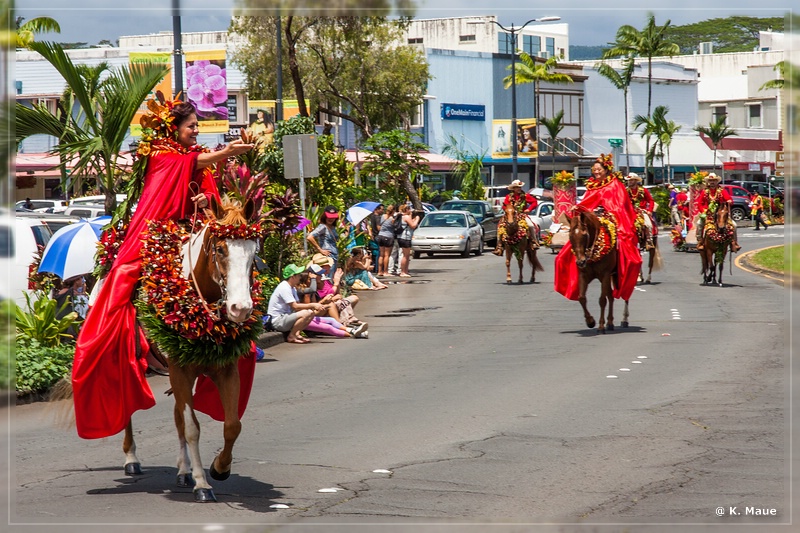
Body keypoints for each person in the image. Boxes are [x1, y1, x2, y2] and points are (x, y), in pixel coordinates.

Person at [71, 98, 255, 440]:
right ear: (174, 128)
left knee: (235, 268)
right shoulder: (160, 155)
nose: (196, 130)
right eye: (191, 126)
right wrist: (226, 152)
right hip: (156, 234)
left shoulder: (197, 158)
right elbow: (190, 164)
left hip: (194, 232)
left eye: (197, 126)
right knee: (123, 285)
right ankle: (123, 345)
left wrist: (208, 201)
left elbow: (211, 198)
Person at [554, 153, 642, 303]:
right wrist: (579, 208)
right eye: (594, 170)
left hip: (612, 217)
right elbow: (587, 203)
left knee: (623, 243)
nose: (596, 172)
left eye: (599, 169)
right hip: (593, 217)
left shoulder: (615, 184)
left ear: (606, 170)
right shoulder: (592, 186)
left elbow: (620, 204)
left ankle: (621, 270)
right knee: (571, 245)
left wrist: (607, 214)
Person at [695, 173, 741, 252]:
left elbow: (729, 199)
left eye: (714, 180)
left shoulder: (722, 191)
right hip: (708, 215)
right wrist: (704, 211)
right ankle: (700, 242)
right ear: (708, 182)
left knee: (734, 225)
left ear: (717, 181)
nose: (712, 182)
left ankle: (734, 243)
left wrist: (729, 201)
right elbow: (700, 204)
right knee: (699, 224)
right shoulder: (704, 192)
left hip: (721, 214)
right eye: (710, 181)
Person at [492, 179, 538, 256]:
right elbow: (504, 206)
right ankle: (499, 247)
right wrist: (508, 211)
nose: (519, 189)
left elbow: (534, 202)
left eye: (520, 187)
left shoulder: (525, 196)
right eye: (517, 187)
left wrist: (529, 209)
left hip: (521, 215)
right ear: (513, 189)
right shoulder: (508, 197)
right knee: (500, 227)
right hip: (510, 215)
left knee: (531, 225)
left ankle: (533, 242)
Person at [625, 173, 655, 250]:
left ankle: (649, 241)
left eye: (631, 180)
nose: (629, 182)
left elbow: (651, 200)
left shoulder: (643, 190)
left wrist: (650, 210)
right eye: (629, 180)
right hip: (630, 212)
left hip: (641, 211)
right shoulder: (626, 191)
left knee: (648, 224)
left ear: (636, 181)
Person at [396, 204, 421, 277]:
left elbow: (409, 223)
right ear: (406, 209)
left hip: (402, 237)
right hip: (405, 237)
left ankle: (405, 271)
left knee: (407, 256)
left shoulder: (402, 216)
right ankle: (403, 272)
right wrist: (417, 219)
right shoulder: (406, 217)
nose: (410, 210)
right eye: (409, 209)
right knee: (405, 256)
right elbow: (413, 226)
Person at [376, 204, 398, 276]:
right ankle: (385, 271)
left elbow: (380, 225)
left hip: (380, 235)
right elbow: (395, 227)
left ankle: (379, 271)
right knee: (387, 255)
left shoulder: (383, 216)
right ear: (393, 211)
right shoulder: (392, 219)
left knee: (381, 255)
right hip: (388, 236)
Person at [368, 204, 384, 273]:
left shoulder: (372, 217)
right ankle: (378, 268)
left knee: (376, 252)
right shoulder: (378, 217)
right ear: (377, 209)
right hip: (378, 235)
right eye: (381, 209)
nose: (382, 211)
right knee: (379, 253)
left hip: (374, 235)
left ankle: (376, 267)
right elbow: (378, 228)